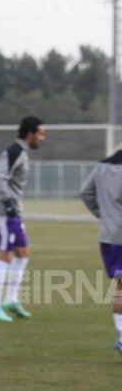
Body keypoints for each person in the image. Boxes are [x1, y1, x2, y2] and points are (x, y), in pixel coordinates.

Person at [0, 116, 45, 322]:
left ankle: (11, 299)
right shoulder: (14, 152)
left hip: (14, 213)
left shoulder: (22, 152)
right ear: (30, 134)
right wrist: (8, 203)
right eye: (40, 133)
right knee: (4, 256)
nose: (42, 138)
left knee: (23, 255)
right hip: (4, 213)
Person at [79, 150, 122, 354]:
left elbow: (85, 193)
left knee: (121, 287)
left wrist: (104, 215)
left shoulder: (101, 166)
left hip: (108, 236)